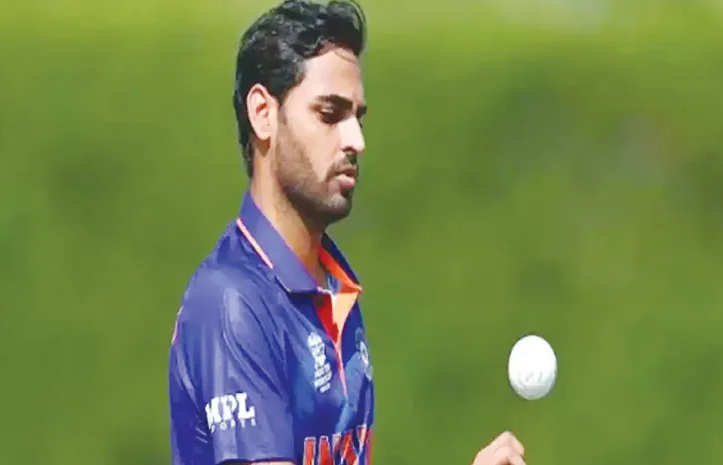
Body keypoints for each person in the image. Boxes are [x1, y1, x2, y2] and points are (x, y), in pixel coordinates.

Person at [167, 1, 527, 464]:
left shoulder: (335, 292)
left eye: (358, 117)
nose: (356, 140)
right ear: (262, 113)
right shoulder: (232, 300)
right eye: (330, 114)